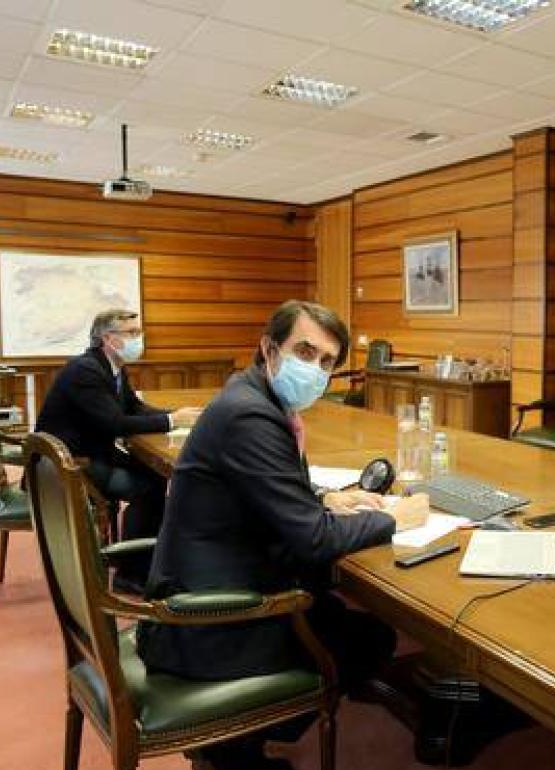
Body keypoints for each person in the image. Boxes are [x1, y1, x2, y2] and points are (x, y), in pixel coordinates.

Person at [138, 300, 428, 770]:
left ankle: (234, 742)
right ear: (269, 349)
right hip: (212, 623)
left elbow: (258, 486)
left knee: (336, 613)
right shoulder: (251, 416)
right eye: (305, 352)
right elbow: (314, 540)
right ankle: (235, 742)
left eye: (327, 362)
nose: (315, 369)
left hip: (200, 594)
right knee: (370, 637)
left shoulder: (249, 396)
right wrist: (398, 519)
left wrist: (321, 498)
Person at [34, 308, 199, 591]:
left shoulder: (111, 366)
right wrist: (171, 421)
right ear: (109, 339)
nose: (139, 338)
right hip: (70, 463)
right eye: (132, 333)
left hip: (90, 450)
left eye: (139, 332)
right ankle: (129, 574)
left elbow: (133, 407)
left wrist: (177, 417)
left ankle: (148, 561)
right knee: (148, 486)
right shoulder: (86, 371)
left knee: (155, 475)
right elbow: (115, 423)